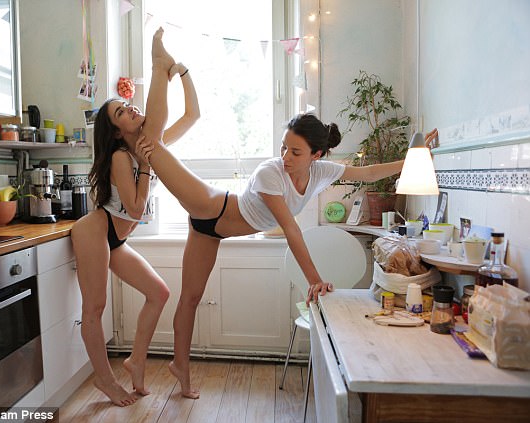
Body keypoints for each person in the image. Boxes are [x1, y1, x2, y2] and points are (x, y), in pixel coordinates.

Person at [104, 32, 438, 399]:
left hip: (212, 231)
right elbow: (291, 229)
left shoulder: (324, 171)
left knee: (191, 298)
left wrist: (415, 159)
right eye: (284, 147)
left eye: (296, 151)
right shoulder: (270, 173)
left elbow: (370, 173)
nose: (286, 156)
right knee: (149, 143)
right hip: (210, 205)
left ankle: (168, 368)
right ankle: (159, 64)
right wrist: (315, 280)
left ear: (317, 154)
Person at [70, 27, 199, 406]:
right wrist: (146, 167)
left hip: (118, 237)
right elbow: (137, 208)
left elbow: (192, 116)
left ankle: (136, 361)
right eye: (122, 112)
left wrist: (183, 73)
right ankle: (105, 381)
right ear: (115, 130)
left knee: (158, 293)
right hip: (96, 230)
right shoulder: (123, 157)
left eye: (127, 105)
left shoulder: (144, 148)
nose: (131, 109)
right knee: (94, 308)